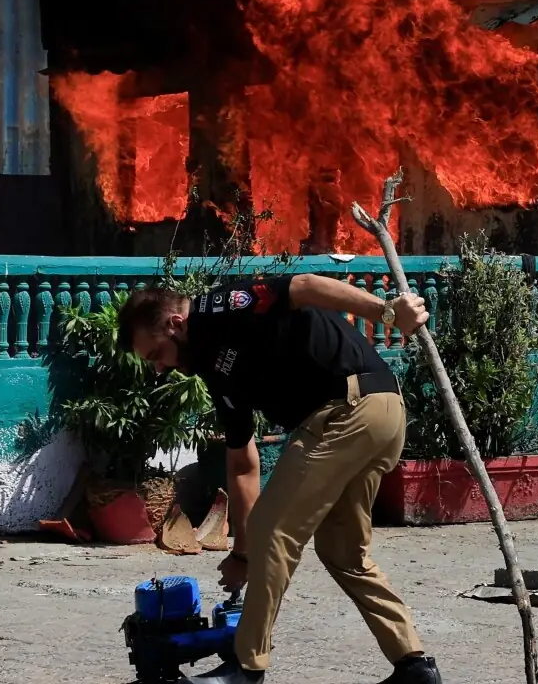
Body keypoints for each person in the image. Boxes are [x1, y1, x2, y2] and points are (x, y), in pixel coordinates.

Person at [116, 273, 444, 684]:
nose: (160, 368)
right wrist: (241, 555)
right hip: (377, 415)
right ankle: (413, 665)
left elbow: (303, 285)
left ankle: (246, 668)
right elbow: (242, 463)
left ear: (173, 324)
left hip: (348, 407)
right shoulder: (213, 368)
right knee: (343, 552)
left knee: (273, 527)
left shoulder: (220, 308)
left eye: (155, 354)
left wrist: (388, 312)